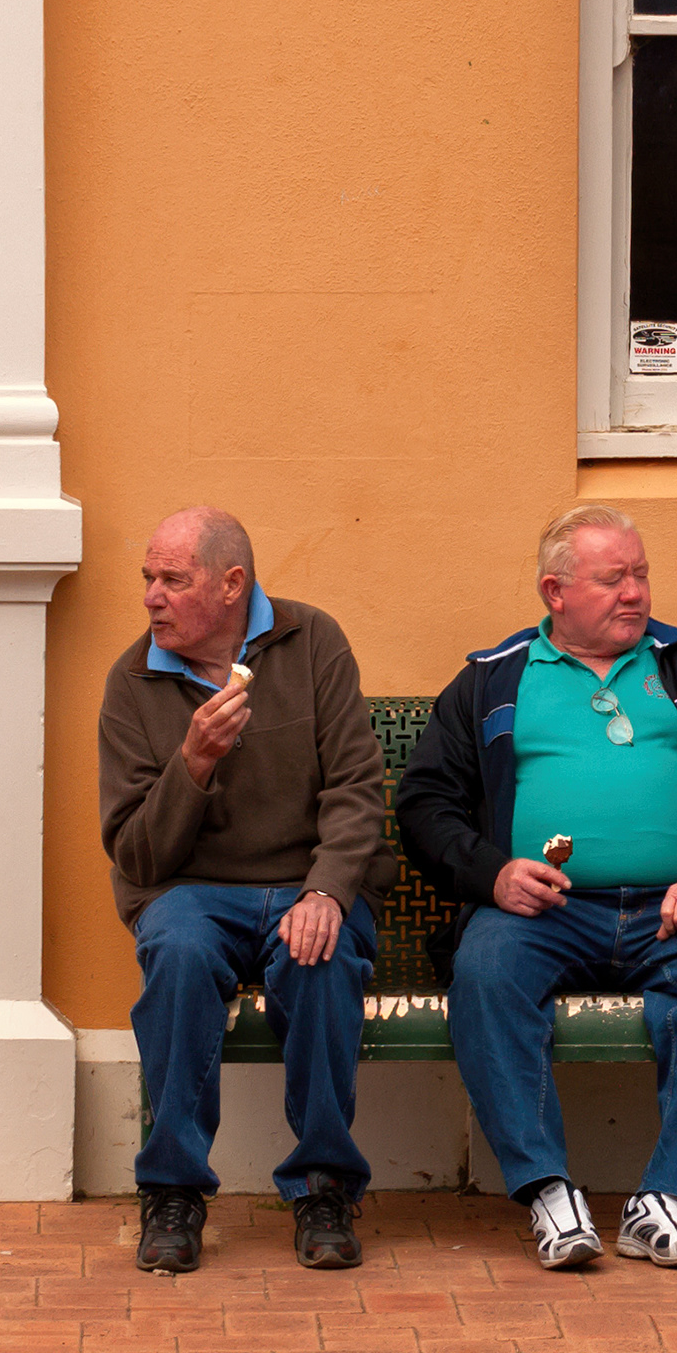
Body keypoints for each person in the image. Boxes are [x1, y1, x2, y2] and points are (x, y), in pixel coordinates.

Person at [396, 503, 677, 1271]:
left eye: (640, 574)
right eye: (613, 580)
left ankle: (669, 1200)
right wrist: (493, 874)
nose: (635, 593)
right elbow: (424, 802)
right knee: (485, 970)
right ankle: (548, 1192)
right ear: (555, 591)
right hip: (545, 911)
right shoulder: (492, 680)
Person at [97, 506, 393, 1276]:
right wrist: (190, 766)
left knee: (318, 957)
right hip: (195, 893)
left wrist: (328, 891)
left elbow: (358, 787)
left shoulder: (312, 640)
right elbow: (137, 851)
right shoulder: (134, 683)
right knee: (178, 951)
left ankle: (325, 1188)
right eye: (149, 580)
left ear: (232, 584)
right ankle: (173, 1192)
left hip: (309, 884)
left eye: (172, 579)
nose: (152, 598)